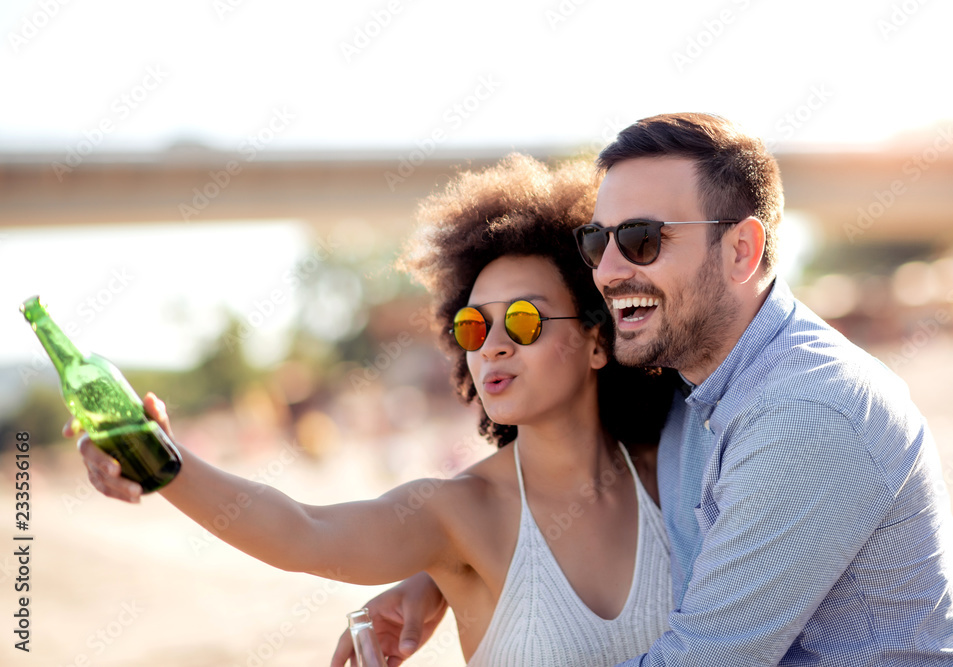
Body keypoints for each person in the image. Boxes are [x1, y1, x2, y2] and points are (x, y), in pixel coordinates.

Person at [333, 113, 953, 666]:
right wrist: (438, 579)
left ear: (741, 251)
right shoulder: (686, 386)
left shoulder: (806, 411)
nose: (611, 270)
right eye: (598, 241)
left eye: (643, 240)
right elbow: (581, 476)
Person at [70, 154, 683, 665]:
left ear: (599, 340)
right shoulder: (459, 515)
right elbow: (304, 531)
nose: (493, 343)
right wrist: (163, 463)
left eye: (523, 320)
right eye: (474, 326)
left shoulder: (675, 469)